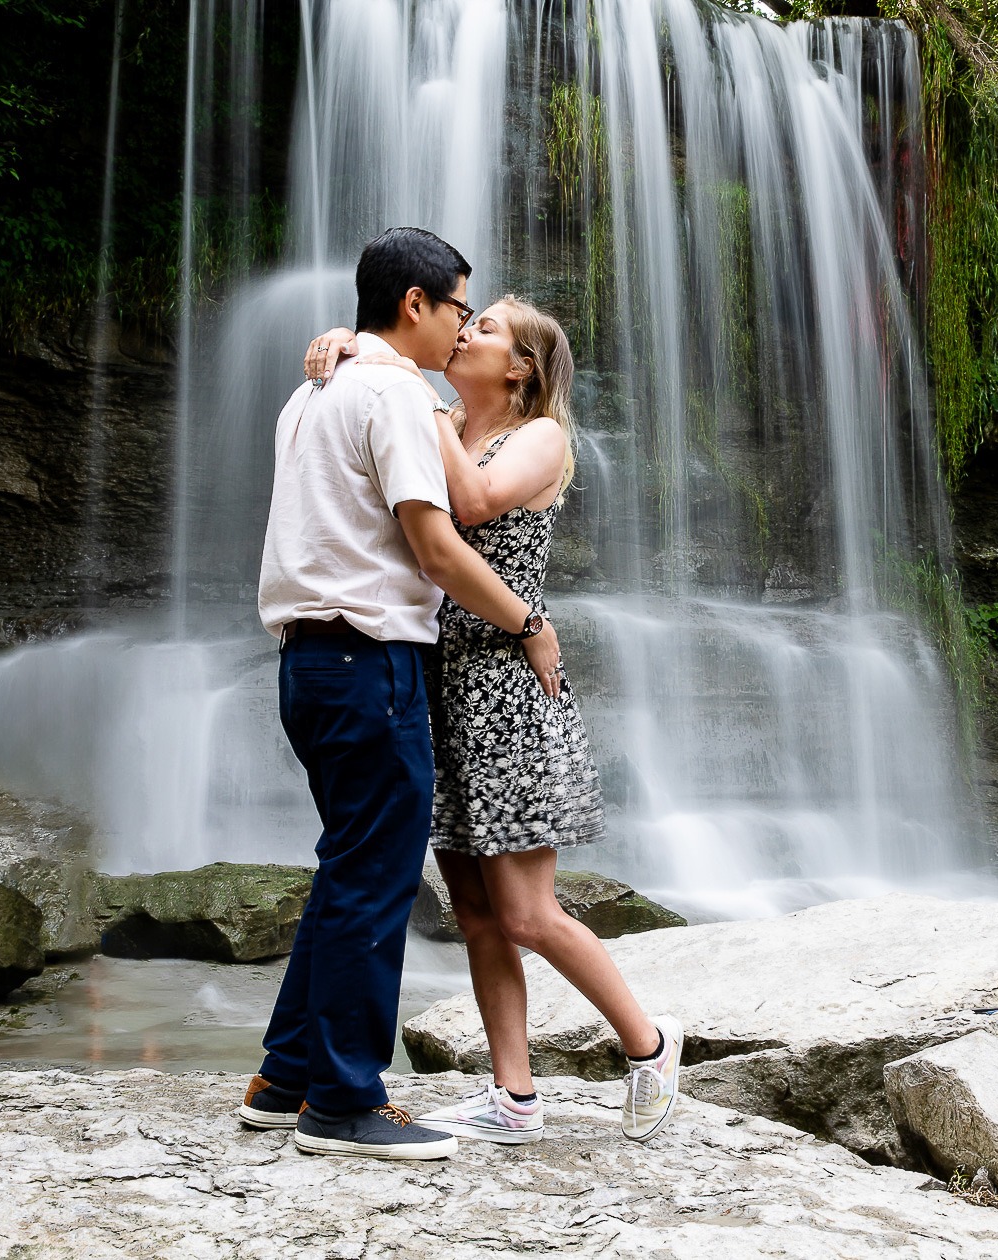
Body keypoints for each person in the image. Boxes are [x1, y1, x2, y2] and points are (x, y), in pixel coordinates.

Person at [301, 297, 683, 1145]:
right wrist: (354, 348)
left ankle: (650, 1047)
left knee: (527, 913)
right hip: (439, 682)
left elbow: (470, 508)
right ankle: (514, 1097)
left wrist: (402, 381)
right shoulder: (439, 423)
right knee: (472, 911)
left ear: (519, 368)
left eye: (485, 330)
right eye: (462, 320)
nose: (464, 331)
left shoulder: (537, 435)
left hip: (506, 684)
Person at [240, 227, 562, 1162]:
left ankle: (286, 1075)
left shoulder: (315, 389)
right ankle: (344, 1100)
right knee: (375, 881)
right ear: (416, 304)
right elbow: (436, 546)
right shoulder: (390, 393)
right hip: (369, 661)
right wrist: (526, 622)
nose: (465, 327)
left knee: (347, 866)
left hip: (307, 660)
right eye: (462, 307)